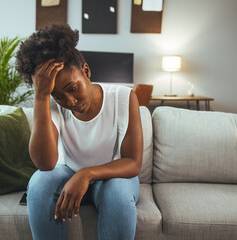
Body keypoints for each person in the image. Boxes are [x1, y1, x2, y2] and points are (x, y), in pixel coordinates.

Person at [15, 23, 143, 240]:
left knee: (119, 194)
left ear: (86, 71)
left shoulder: (123, 97)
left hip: (114, 177)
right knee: (39, 183)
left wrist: (87, 173)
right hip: (68, 174)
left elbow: (133, 163)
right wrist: (41, 97)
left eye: (72, 89)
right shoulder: (51, 104)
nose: (70, 101)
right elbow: (45, 164)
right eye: (59, 96)